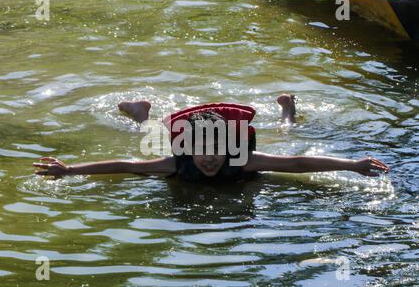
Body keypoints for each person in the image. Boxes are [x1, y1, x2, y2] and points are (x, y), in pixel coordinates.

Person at [33, 94, 389, 181]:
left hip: (261, 144)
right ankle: (141, 112)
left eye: (216, 153)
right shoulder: (176, 162)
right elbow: (126, 165)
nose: (208, 159)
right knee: (149, 135)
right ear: (189, 149)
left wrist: (352, 165)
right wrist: (71, 171)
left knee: (287, 137)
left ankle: (287, 107)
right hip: (171, 141)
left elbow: (297, 163)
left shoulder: (243, 160)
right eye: (202, 153)